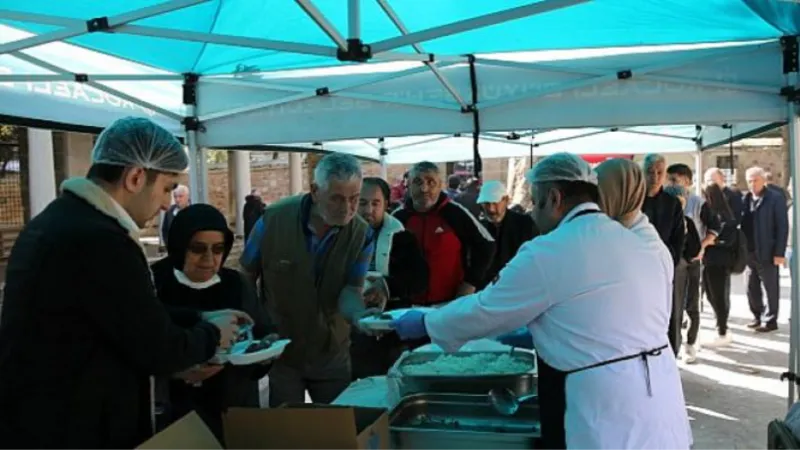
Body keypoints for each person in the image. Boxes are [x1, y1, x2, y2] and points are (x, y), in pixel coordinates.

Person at [393, 153, 691, 450]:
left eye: (535, 203)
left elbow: (485, 309)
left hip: (605, 408)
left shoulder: (548, 251)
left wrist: (425, 321)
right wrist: (546, 333)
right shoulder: (637, 242)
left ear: (554, 198)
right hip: (660, 396)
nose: (532, 214)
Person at [0, 117, 246, 450]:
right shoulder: (100, 240)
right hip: (74, 428)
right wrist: (213, 336)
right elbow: (158, 348)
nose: (165, 204)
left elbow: (121, 317)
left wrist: (197, 318)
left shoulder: (57, 221)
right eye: (167, 188)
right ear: (135, 177)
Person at [240, 152, 380, 407]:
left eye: (354, 199)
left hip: (332, 351)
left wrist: (360, 317)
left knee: (338, 427)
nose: (347, 208)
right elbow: (247, 275)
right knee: (288, 430)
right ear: (315, 192)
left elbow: (351, 289)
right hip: (282, 350)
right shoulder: (273, 220)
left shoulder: (362, 234)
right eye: (336, 198)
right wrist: (254, 327)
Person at [152, 204, 275, 441]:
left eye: (218, 249)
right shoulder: (155, 283)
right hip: (174, 414)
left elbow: (263, 331)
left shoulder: (235, 284)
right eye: (198, 249)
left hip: (233, 409)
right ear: (179, 246)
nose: (209, 259)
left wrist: (265, 352)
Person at [349, 177, 429, 379]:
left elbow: (420, 280)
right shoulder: (341, 236)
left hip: (393, 327)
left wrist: (386, 286)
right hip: (353, 328)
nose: (368, 210)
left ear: (386, 204)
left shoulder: (402, 237)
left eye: (375, 203)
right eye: (362, 202)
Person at [393, 161, 495, 306]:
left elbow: (487, 244)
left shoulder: (455, 213)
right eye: (417, 182)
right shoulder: (398, 218)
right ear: (408, 185)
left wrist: (470, 283)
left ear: (441, 185)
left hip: (449, 303)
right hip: (407, 304)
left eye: (431, 182)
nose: (424, 188)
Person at [742, 166, 789, 332]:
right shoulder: (745, 199)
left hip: (768, 252)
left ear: (763, 180)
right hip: (750, 252)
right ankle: (757, 316)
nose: (752, 184)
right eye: (750, 181)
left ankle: (770, 320)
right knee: (750, 287)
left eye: (756, 180)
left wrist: (779, 253)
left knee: (770, 288)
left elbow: (782, 227)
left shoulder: (775, 198)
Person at [662, 184, 703, 360]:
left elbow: (695, 249)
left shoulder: (688, 222)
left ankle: (690, 344)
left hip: (689, 271)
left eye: (681, 203)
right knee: (674, 312)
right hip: (674, 273)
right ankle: (675, 347)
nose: (679, 208)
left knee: (691, 306)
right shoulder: (664, 223)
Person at [476, 180, 539, 290]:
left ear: (506, 200)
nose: (491, 209)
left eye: (495, 203)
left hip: (518, 285)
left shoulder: (526, 224)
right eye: (486, 204)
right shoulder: (479, 227)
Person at [701, 183, 739, 348]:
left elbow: (728, 240)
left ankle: (722, 329)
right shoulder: (714, 214)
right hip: (710, 261)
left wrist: (711, 241)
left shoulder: (725, 216)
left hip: (719, 261)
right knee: (711, 295)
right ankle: (721, 326)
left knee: (719, 296)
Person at [642, 153, 685, 266]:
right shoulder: (633, 201)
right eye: (650, 172)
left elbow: (678, 238)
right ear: (643, 173)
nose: (655, 177)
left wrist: (671, 261)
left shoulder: (672, 203)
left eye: (659, 172)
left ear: (665, 175)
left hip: (665, 262)